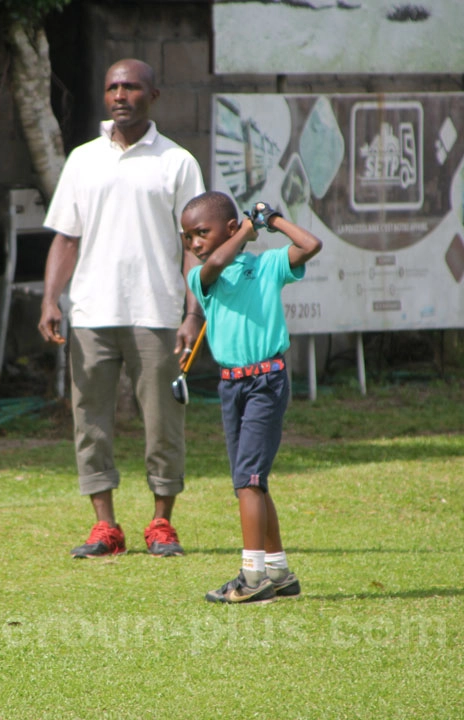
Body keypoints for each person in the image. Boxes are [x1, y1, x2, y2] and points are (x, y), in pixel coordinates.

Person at [37, 59, 206, 558]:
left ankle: (161, 523)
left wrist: (193, 313)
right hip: (91, 312)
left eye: (131, 86)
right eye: (112, 86)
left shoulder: (177, 162)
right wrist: (52, 300)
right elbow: (67, 237)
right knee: (89, 419)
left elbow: (196, 244)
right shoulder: (83, 159)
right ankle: (105, 527)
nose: (119, 94)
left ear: (153, 94)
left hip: (158, 313)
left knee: (163, 420)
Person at [179, 191, 322, 603]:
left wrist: (272, 220)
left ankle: (253, 577)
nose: (194, 243)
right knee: (252, 481)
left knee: (248, 481)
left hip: (267, 382)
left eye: (202, 233)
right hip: (231, 386)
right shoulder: (203, 275)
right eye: (187, 237)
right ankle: (278, 573)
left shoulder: (268, 266)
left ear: (226, 228)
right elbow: (219, 261)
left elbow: (310, 245)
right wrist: (246, 229)